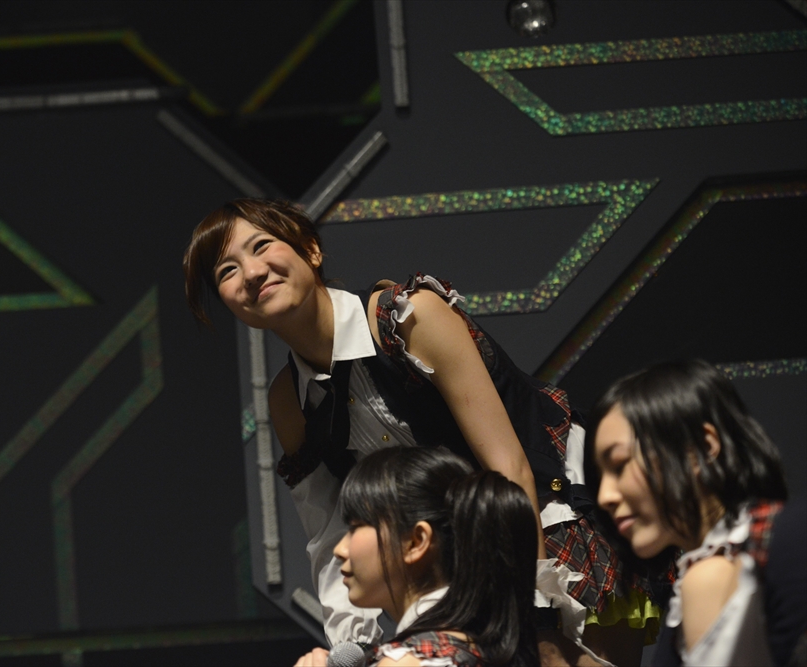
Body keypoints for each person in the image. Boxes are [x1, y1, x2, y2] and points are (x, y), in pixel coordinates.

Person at [183, 198, 666, 665]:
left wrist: (535, 612)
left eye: (262, 245)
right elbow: (332, 532)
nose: (252, 272)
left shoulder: (407, 317)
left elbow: (509, 468)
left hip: (553, 514)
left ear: (310, 248)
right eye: (227, 271)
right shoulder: (289, 402)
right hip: (467, 565)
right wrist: (352, 651)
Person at [587, 359, 806, 666]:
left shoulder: (792, 537)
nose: (605, 496)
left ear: (702, 447)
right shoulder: (688, 585)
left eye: (621, 464)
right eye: (600, 477)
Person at [294, 446, 539, 667]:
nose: (340, 550)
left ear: (416, 542)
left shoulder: (407, 662)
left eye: (356, 527)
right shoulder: (480, 648)